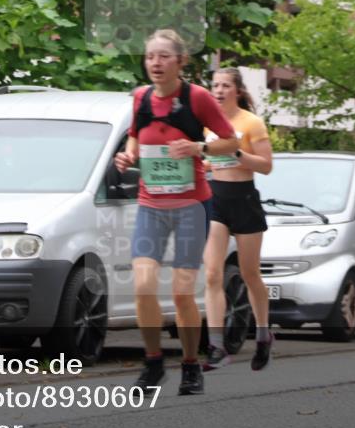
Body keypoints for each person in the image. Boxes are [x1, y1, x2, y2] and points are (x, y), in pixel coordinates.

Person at [115, 29, 237, 396]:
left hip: (190, 206)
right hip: (151, 204)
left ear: (180, 62)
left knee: (183, 293)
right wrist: (129, 153)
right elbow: (135, 134)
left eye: (164, 56)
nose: (155, 63)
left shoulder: (197, 98)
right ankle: (153, 363)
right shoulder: (140, 98)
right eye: (150, 56)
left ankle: (188, 364)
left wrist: (198, 147)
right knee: (143, 285)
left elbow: (230, 141)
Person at [201, 68, 274, 371]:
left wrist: (239, 154)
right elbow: (209, 160)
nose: (218, 90)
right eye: (215, 85)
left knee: (249, 273)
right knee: (212, 274)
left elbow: (266, 166)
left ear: (237, 91)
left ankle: (263, 333)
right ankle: (216, 345)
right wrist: (201, 163)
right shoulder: (208, 125)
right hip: (216, 198)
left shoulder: (251, 123)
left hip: (244, 199)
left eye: (225, 85)